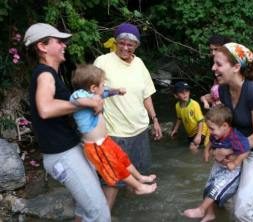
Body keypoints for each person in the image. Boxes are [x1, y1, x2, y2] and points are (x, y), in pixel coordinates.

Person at [24, 23, 111, 221]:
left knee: (83, 210)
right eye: (59, 41)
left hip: (68, 150)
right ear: (42, 46)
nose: (65, 45)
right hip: (62, 155)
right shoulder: (45, 74)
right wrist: (84, 103)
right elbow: (45, 109)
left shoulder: (52, 74)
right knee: (100, 212)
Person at [94, 22, 162, 208]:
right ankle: (104, 215)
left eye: (130, 44)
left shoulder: (139, 63)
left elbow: (146, 93)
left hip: (140, 129)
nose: (125, 47)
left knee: (137, 176)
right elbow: (91, 90)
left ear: (136, 46)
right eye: (121, 43)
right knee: (113, 179)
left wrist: (154, 119)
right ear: (115, 42)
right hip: (115, 132)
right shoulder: (103, 61)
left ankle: (130, 213)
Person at [70, 64, 157, 195]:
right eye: (102, 84)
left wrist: (117, 91)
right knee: (116, 166)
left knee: (123, 158)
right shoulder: (80, 95)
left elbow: (106, 92)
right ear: (93, 88)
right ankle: (138, 187)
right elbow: (76, 101)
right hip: (95, 146)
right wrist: (95, 103)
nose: (104, 87)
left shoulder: (95, 93)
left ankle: (139, 177)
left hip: (105, 141)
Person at [212, 42, 253, 221]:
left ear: (236, 67)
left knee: (243, 211)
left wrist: (230, 150)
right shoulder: (223, 89)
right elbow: (226, 125)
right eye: (214, 63)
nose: (213, 68)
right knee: (219, 197)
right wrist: (215, 145)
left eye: (218, 64)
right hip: (235, 145)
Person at [183, 104, 250, 222]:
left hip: (231, 170)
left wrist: (235, 163)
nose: (210, 131)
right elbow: (211, 142)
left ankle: (201, 209)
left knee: (216, 188)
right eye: (208, 128)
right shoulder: (216, 134)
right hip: (218, 166)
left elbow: (245, 151)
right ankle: (210, 213)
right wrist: (206, 151)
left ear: (224, 126)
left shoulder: (235, 137)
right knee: (207, 188)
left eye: (212, 128)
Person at [170, 81, 209, 153]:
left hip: (201, 130)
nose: (185, 94)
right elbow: (179, 118)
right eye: (181, 92)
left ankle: (200, 162)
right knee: (192, 147)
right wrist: (175, 129)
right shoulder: (177, 106)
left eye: (187, 91)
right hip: (190, 133)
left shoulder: (194, 105)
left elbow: (201, 121)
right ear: (176, 95)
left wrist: (199, 135)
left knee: (192, 148)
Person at [201, 34, 230, 109]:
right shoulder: (212, 60)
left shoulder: (231, 61)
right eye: (211, 50)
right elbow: (216, 78)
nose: (213, 53)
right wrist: (213, 93)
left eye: (216, 49)